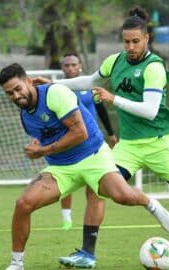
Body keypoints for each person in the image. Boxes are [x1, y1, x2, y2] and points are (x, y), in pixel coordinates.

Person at [50, 6, 169, 269]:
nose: (131, 46)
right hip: (128, 147)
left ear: (146, 38)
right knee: (97, 188)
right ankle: (87, 254)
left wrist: (114, 98)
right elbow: (89, 81)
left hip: (159, 144)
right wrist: (52, 85)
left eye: (136, 41)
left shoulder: (154, 67)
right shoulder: (115, 61)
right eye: (126, 41)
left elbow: (149, 111)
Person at [0, 63, 169, 270]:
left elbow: (80, 133)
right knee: (23, 204)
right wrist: (36, 148)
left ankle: (149, 203)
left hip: (93, 155)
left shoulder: (55, 93)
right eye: (9, 93)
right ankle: (16, 264)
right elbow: (43, 139)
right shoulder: (26, 117)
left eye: (18, 89)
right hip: (61, 168)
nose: (15, 96)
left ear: (28, 81)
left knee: (122, 196)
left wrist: (43, 151)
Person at [59, 53, 117, 230]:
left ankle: (90, 217)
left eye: (73, 65)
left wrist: (111, 134)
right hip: (68, 140)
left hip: (92, 141)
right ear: (63, 68)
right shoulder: (58, 89)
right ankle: (66, 219)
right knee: (65, 182)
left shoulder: (90, 86)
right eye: (67, 65)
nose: (70, 68)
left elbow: (101, 110)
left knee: (93, 182)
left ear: (80, 67)